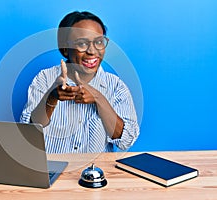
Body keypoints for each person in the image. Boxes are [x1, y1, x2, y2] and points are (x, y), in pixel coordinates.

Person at [20, 11, 139, 153]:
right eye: (82, 43)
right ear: (65, 49)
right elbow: (28, 134)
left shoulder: (116, 86)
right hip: (51, 170)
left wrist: (98, 98)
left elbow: (126, 141)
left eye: (99, 42)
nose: (92, 51)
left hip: (95, 172)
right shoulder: (44, 78)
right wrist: (51, 97)